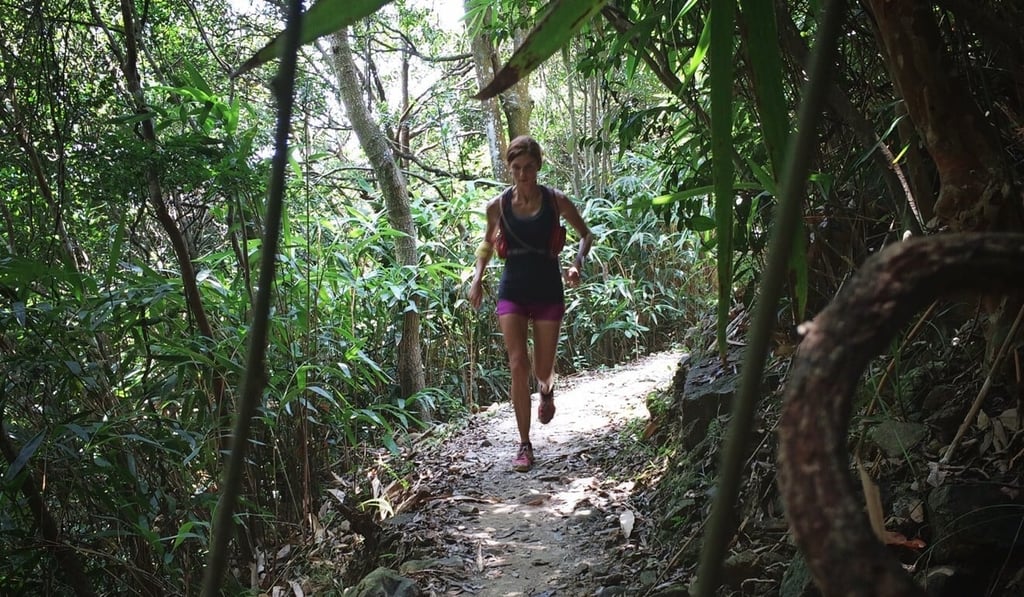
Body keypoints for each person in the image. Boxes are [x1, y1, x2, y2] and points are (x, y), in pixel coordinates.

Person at [468, 135, 594, 472]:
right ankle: (524, 445)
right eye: (516, 168)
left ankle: (547, 389)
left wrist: (576, 264)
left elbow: (585, 235)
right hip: (512, 289)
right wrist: (477, 278)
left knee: (541, 369)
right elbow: (486, 244)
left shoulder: (556, 202)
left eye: (528, 168)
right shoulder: (497, 206)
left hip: (548, 287)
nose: (522, 174)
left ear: (538, 166)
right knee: (517, 362)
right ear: (509, 169)